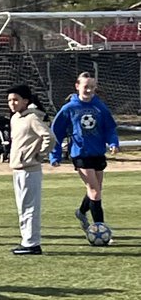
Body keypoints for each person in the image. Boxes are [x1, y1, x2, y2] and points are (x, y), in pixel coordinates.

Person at [49, 71, 119, 235]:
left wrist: (113, 142)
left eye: (92, 87)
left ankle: (81, 212)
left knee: (96, 190)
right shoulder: (70, 108)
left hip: (98, 153)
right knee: (94, 191)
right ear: (77, 86)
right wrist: (55, 154)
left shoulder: (99, 106)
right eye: (86, 87)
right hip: (80, 154)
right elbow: (56, 132)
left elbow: (109, 127)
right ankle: (99, 229)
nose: (89, 90)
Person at [7, 84, 53, 256]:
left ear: (25, 101)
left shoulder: (32, 118)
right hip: (17, 168)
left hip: (30, 169)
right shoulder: (15, 119)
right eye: (10, 100)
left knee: (30, 207)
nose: (12, 103)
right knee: (22, 206)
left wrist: (40, 154)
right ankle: (26, 240)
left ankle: (32, 243)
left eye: (16, 100)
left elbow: (49, 136)